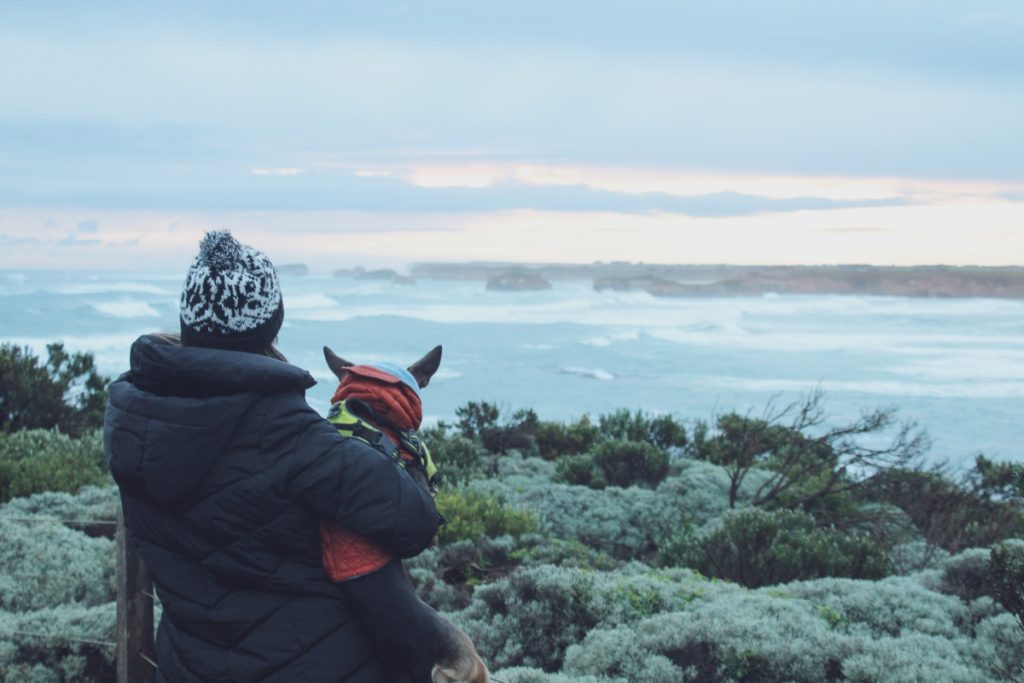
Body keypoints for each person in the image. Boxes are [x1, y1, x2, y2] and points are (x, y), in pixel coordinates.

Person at [105, 230, 441, 682]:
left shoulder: (134, 423)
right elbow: (414, 521)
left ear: (189, 323)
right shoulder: (292, 437)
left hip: (188, 665)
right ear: (271, 326)